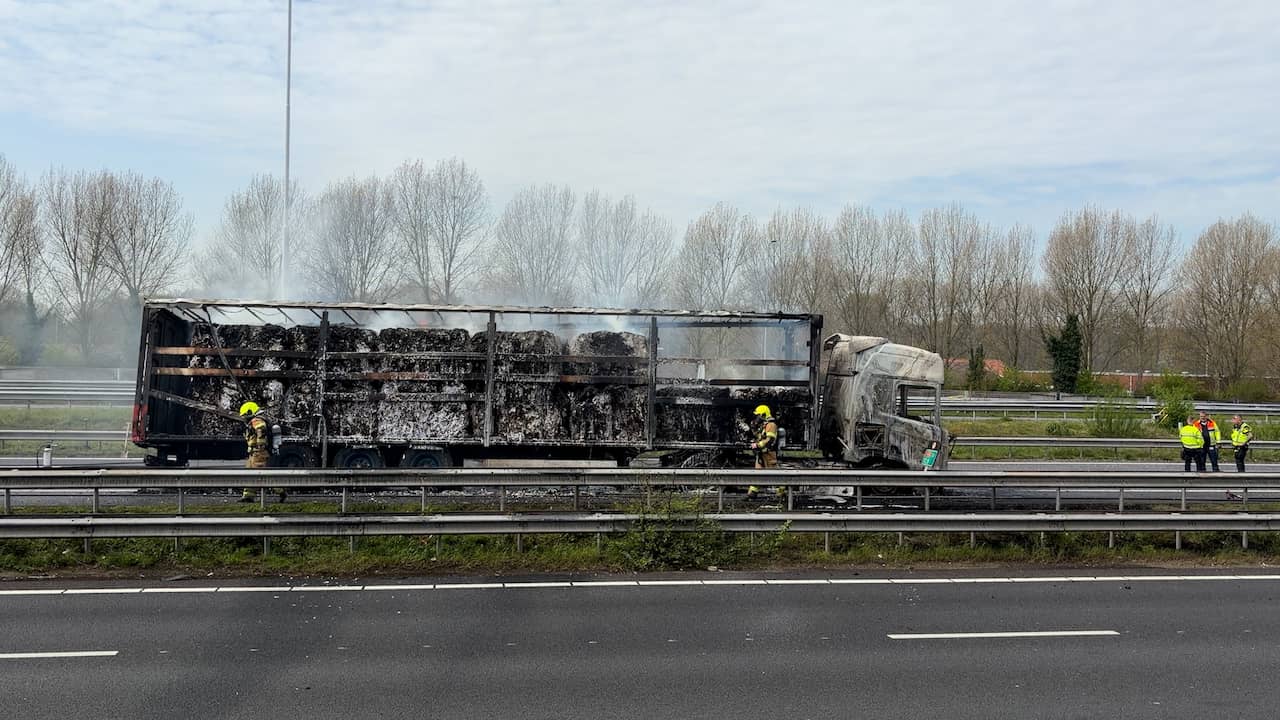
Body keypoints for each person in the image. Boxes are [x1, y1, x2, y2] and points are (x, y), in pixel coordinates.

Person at [238, 401, 284, 503]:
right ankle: (248, 496)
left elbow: (261, 429)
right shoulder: (258, 419)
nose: (244, 418)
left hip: (259, 452)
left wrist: (260, 445)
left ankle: (280, 491)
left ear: (250, 412)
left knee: (262, 474)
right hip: (254, 453)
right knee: (250, 474)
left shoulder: (257, 420)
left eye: (245, 415)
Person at [746, 405, 782, 500]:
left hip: (769, 454)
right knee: (757, 473)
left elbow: (770, 440)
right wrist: (754, 430)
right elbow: (761, 437)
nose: (757, 417)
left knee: (774, 475)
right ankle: (752, 493)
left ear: (763, 414)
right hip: (762, 454)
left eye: (758, 415)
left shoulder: (771, 425)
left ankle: (782, 493)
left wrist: (758, 445)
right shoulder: (764, 424)